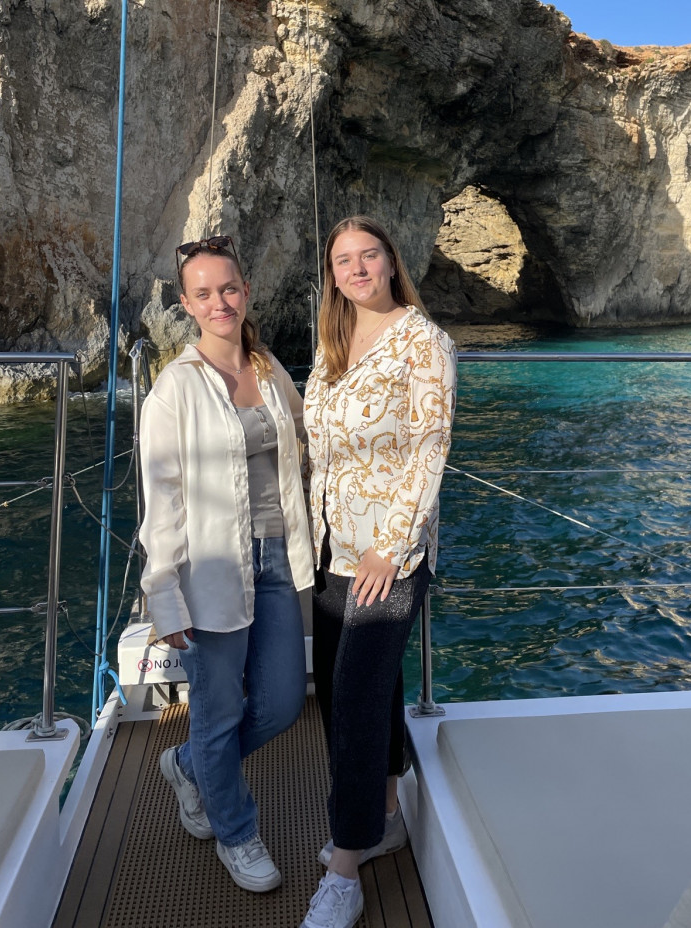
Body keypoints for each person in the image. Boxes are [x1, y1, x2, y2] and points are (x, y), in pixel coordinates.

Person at [138, 234, 313, 893]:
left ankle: (188, 765)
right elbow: (161, 499)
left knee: (280, 703)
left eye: (229, 288)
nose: (220, 302)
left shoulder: (269, 369)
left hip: (276, 559)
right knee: (219, 714)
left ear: (246, 292)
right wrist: (163, 595)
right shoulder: (174, 389)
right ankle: (236, 832)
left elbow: (305, 443)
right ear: (186, 304)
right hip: (209, 568)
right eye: (204, 293)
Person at [300, 215, 457, 928]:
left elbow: (429, 448)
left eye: (369, 256)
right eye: (344, 260)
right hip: (332, 546)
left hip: (388, 556)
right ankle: (386, 814)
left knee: (357, 698)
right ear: (332, 275)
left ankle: (345, 867)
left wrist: (389, 548)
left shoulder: (424, 341)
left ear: (392, 262)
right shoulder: (333, 344)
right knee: (351, 692)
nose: (357, 269)